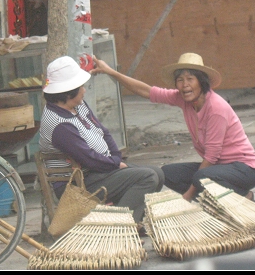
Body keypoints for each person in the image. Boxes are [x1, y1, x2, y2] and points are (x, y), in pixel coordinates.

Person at [92, 52, 255, 202]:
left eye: (190, 79)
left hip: (245, 169)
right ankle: (213, 201)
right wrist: (111, 72)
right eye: (180, 80)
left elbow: (211, 157)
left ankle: (244, 195)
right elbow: (147, 91)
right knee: (168, 173)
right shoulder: (183, 99)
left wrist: (187, 196)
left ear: (201, 82)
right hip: (219, 169)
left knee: (201, 177)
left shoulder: (216, 108)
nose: (185, 85)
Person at [39, 56, 164, 229]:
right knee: (147, 178)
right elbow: (89, 159)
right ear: (68, 93)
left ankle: (132, 223)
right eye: (81, 87)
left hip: (100, 171)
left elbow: (103, 131)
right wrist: (115, 164)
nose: (84, 90)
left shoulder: (77, 105)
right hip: (78, 183)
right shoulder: (59, 125)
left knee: (158, 174)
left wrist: (116, 157)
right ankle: (118, 228)